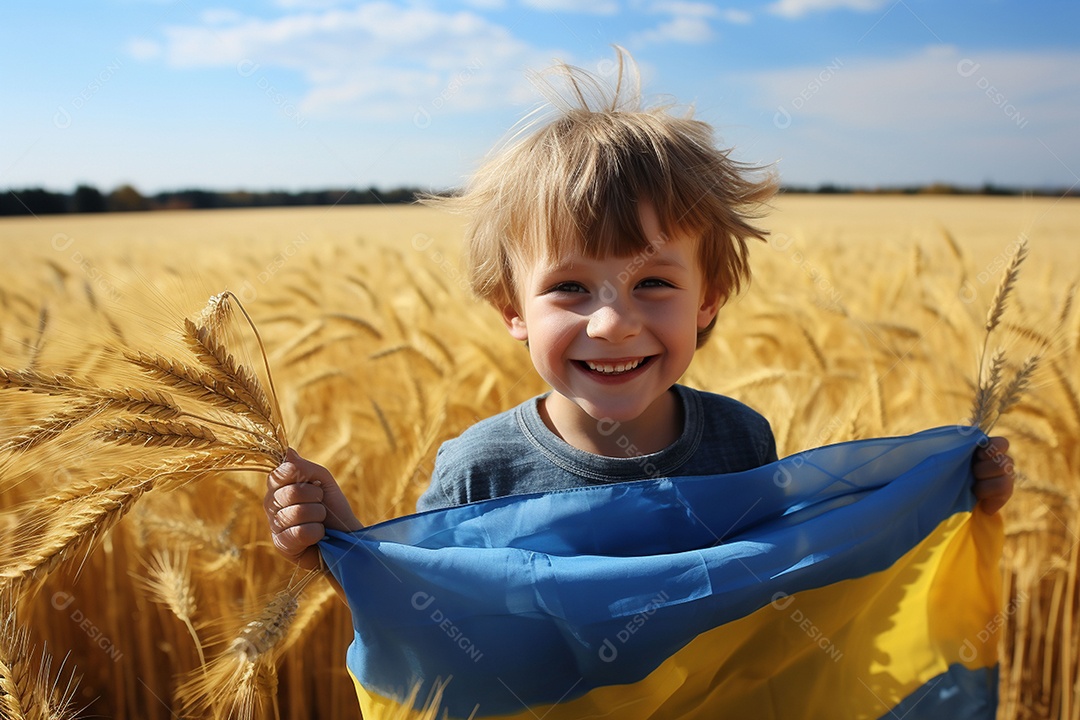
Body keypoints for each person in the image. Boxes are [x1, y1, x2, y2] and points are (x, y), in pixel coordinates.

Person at [263, 48, 1015, 576]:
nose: (613, 323)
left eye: (654, 283)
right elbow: (429, 612)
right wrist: (342, 547)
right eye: (570, 288)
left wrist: (949, 499)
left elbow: (787, 581)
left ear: (709, 300)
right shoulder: (479, 472)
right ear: (510, 308)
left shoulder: (741, 441)